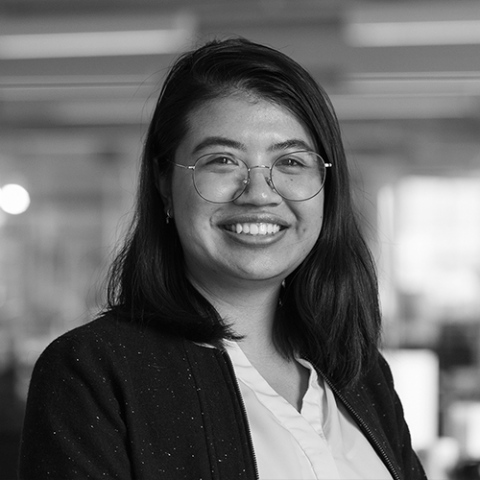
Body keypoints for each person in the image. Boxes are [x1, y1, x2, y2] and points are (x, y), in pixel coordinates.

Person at [18, 37, 427, 480]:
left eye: (291, 162)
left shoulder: (360, 375)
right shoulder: (95, 372)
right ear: (163, 183)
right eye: (222, 161)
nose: (260, 194)